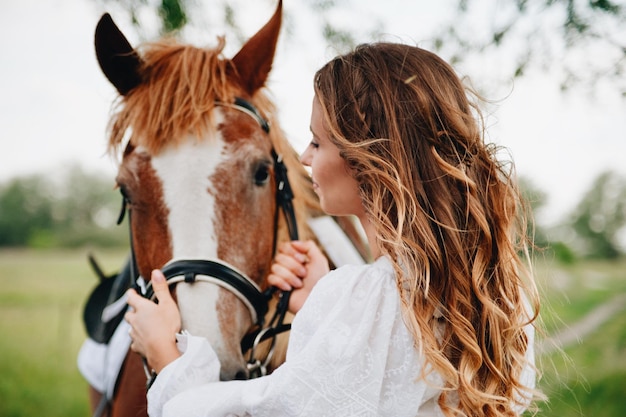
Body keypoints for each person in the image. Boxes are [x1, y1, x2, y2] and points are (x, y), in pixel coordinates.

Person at [125, 42, 541, 417]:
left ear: (370, 161)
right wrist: (325, 307)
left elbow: (265, 412)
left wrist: (167, 359)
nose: (303, 158)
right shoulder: (497, 293)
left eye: (317, 142)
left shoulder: (364, 297)